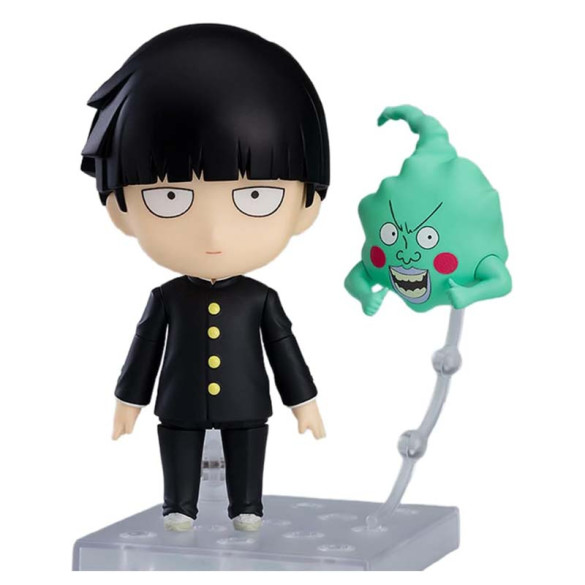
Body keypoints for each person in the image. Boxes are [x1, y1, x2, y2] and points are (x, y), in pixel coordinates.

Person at [81, 24, 329, 532]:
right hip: (180, 404)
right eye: (169, 197)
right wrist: (129, 401)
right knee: (177, 448)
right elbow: (144, 350)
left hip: (246, 402)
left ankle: (247, 506)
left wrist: (303, 402)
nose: (213, 232)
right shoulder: (166, 298)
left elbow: (284, 350)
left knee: (248, 448)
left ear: (307, 206)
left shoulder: (261, 298)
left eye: (256, 197)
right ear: (120, 209)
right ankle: (179, 504)